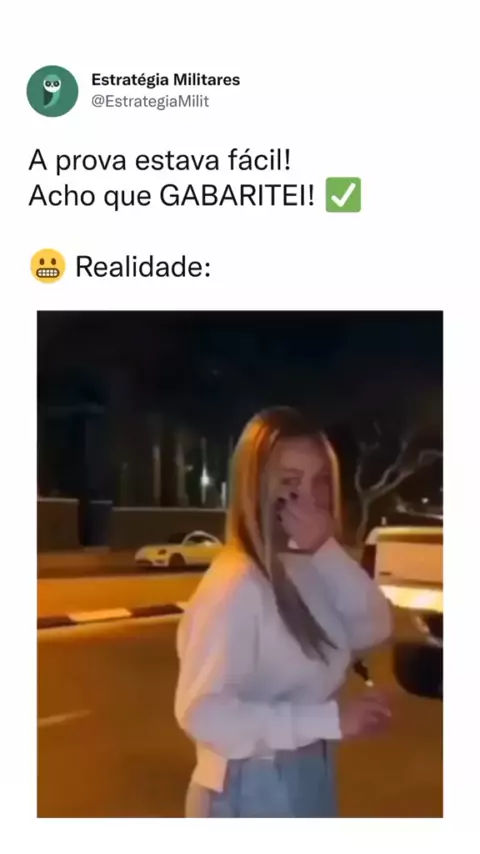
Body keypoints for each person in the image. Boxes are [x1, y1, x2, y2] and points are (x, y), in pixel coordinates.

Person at [174, 407, 393, 818]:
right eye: (290, 483)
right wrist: (328, 721)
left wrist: (325, 549)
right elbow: (202, 713)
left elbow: (374, 626)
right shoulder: (237, 583)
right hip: (249, 786)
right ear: (256, 488)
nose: (310, 499)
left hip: (303, 773)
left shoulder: (305, 564)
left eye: (321, 481)